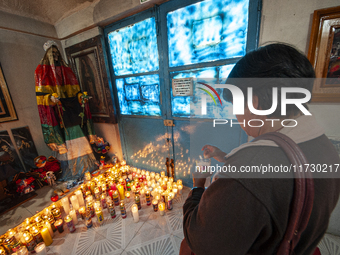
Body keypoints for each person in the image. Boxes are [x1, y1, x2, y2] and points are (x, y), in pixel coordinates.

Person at [181, 43, 340, 255]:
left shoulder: (248, 171)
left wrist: (198, 187)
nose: (237, 116)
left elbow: (202, 241)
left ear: (254, 102)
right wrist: (223, 157)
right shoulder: (324, 146)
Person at [35, 40, 97, 181]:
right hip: (57, 112)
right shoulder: (41, 72)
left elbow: (76, 91)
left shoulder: (66, 70)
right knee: (65, 142)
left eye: (56, 53)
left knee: (79, 137)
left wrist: (82, 97)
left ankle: (86, 167)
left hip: (72, 110)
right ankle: (74, 172)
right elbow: (40, 98)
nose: (55, 56)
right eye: (52, 53)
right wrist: (50, 98)